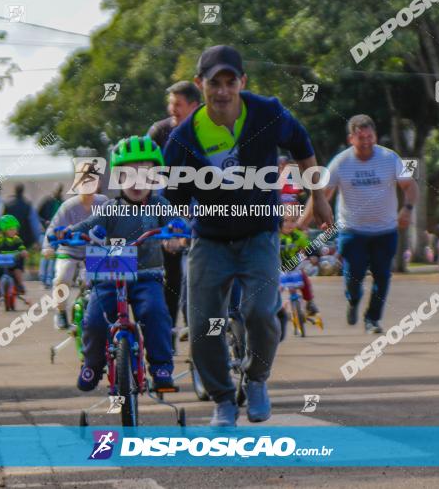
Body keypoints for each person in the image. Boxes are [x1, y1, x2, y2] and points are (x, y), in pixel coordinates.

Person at [163, 45, 333, 426]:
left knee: (260, 313)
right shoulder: (183, 140)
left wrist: (317, 196)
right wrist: (169, 226)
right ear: (199, 85)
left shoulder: (266, 112)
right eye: (213, 84)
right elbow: (171, 197)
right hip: (209, 240)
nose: (222, 91)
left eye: (229, 82)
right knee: (204, 325)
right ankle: (223, 399)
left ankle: (256, 379)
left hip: (259, 233)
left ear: (242, 82)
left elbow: (302, 144)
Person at [58, 136, 183, 392]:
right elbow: (86, 226)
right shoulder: (110, 209)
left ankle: (161, 367)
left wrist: (176, 238)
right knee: (94, 320)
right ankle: (92, 364)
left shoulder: (161, 206)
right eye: (128, 175)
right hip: (108, 276)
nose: (137, 182)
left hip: (147, 276)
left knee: (156, 313)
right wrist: (67, 231)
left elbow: (176, 226)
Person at [323, 115, 417, 332]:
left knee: (382, 276)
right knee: (353, 276)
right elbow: (323, 195)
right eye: (360, 137)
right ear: (350, 139)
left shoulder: (390, 158)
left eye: (370, 136)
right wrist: (315, 218)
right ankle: (353, 299)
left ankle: (372, 319)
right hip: (352, 230)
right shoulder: (340, 162)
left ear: (375, 136)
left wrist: (408, 208)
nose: (366, 141)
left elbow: (410, 187)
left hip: (385, 230)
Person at [148, 81, 202, 340]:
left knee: (196, 274)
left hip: (202, 209)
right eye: (170, 103)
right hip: (168, 213)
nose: (172, 109)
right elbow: (146, 173)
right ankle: (168, 333)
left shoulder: (209, 131)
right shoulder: (159, 132)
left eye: (177, 104)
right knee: (170, 275)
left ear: (194, 106)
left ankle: (194, 327)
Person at [42, 162, 108, 330]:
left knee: (99, 282)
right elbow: (52, 228)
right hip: (69, 250)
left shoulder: (104, 203)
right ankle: (61, 312)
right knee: (62, 277)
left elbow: (115, 224)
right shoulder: (68, 206)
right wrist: (48, 247)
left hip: (93, 252)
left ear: (98, 183)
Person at [0, 214, 29, 309]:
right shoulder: (0, 240)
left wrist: (23, 251)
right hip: (1, 264)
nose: (14, 231)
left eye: (15, 229)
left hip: (14, 263)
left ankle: (20, 285)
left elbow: (21, 247)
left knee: (17, 271)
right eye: (11, 229)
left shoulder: (17, 240)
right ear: (4, 230)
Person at [38, 184, 64, 289]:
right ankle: (43, 277)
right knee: (46, 254)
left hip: (58, 233)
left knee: (53, 256)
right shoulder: (47, 201)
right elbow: (38, 214)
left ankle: (49, 278)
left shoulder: (62, 203)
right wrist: (45, 222)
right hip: (47, 231)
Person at [3, 184, 42, 249]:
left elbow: (1, 221)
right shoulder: (28, 205)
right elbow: (34, 225)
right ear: (23, 191)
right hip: (25, 241)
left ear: (14, 191)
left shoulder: (7, 205)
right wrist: (37, 240)